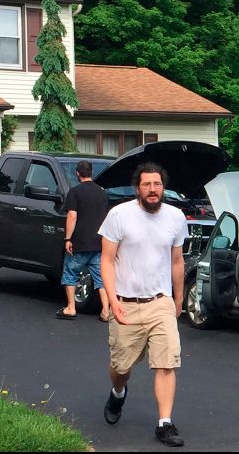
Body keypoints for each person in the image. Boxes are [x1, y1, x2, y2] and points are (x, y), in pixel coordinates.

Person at [98, 161, 188, 448]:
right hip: (126, 303)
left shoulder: (175, 217)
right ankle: (118, 391)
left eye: (158, 184)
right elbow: (107, 260)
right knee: (120, 366)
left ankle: (165, 423)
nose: (153, 189)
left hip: (160, 303)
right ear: (137, 187)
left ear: (164, 187)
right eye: (147, 184)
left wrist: (178, 299)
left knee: (166, 362)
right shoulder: (119, 215)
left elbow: (177, 261)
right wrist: (112, 300)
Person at [56, 160, 110, 321]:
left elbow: (72, 216)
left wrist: (68, 238)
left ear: (77, 173)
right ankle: (106, 312)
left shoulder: (74, 192)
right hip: (99, 242)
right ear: (91, 172)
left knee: (70, 273)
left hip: (79, 242)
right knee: (101, 278)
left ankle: (71, 307)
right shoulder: (102, 193)